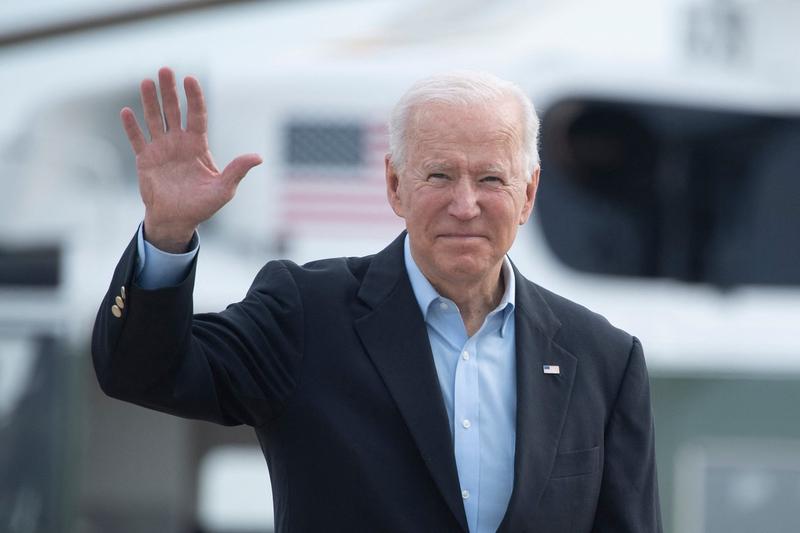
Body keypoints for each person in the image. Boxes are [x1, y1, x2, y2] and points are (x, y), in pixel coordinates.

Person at [93, 67, 662, 532]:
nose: (465, 205)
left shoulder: (603, 361)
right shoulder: (306, 314)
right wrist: (165, 236)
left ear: (528, 192)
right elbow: (143, 372)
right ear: (394, 186)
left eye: (490, 179)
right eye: (439, 175)